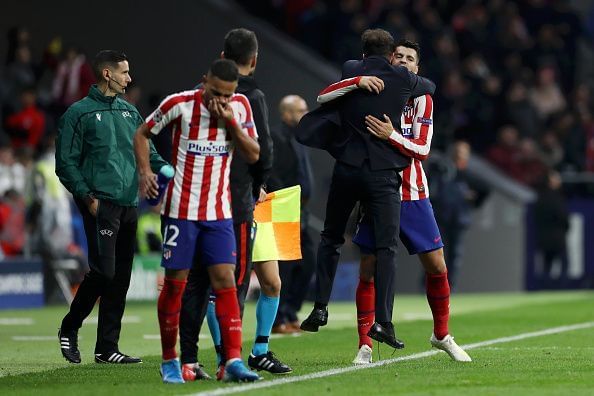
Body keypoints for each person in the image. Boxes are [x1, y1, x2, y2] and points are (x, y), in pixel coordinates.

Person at [316, 39, 471, 363]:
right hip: (375, 189)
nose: (402, 61)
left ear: (416, 68)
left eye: (409, 58)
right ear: (388, 60)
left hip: (412, 193)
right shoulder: (372, 90)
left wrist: (391, 135)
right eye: (397, 56)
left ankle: (441, 334)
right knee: (369, 267)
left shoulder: (423, 100)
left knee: (437, 265)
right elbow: (328, 97)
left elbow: (423, 149)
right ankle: (365, 345)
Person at [298, 29, 435, 350]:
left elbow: (322, 97)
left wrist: (355, 82)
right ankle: (384, 323)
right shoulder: (403, 80)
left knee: (330, 238)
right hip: (382, 175)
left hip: (346, 169)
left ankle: (320, 307)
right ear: (391, 56)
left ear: (362, 54)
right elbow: (430, 86)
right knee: (386, 249)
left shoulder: (350, 70)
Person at [134, 58, 261, 384]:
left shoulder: (241, 106)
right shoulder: (178, 104)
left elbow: (253, 154)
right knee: (176, 286)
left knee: (226, 282)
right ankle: (169, 360)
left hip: (219, 214)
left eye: (228, 94)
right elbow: (142, 133)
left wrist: (231, 123)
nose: (221, 100)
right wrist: (145, 172)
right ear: (204, 81)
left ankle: (232, 360)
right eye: (216, 92)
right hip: (181, 213)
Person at [178, 28, 291, 380]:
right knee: (226, 283)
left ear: (223, 54)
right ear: (254, 60)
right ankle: (224, 357)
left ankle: (257, 351)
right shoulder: (244, 97)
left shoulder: (241, 97)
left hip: (257, 199)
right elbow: (263, 154)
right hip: (232, 201)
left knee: (269, 281)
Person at [55, 50, 168, 365]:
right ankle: (70, 325)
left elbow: (149, 152)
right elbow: (65, 163)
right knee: (104, 272)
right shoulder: (78, 113)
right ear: (107, 74)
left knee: (120, 278)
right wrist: (87, 196)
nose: (129, 79)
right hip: (99, 203)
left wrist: (172, 170)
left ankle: (106, 348)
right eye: (124, 73)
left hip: (129, 203)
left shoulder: (130, 113)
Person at [267, 95, 315, 334]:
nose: (304, 114)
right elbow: (274, 174)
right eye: (299, 110)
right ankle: (277, 320)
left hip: (300, 211)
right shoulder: (276, 137)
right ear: (286, 114)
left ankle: (290, 311)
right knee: (285, 266)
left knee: (308, 262)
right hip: (284, 209)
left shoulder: (300, 137)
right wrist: (285, 200)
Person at [429, 141, 489, 288]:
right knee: (434, 255)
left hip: (459, 219)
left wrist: (474, 202)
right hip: (440, 217)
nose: (459, 155)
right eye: (457, 151)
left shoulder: (468, 174)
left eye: (462, 152)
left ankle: (450, 287)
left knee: (455, 255)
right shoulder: (441, 171)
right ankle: (430, 286)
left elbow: (485, 189)